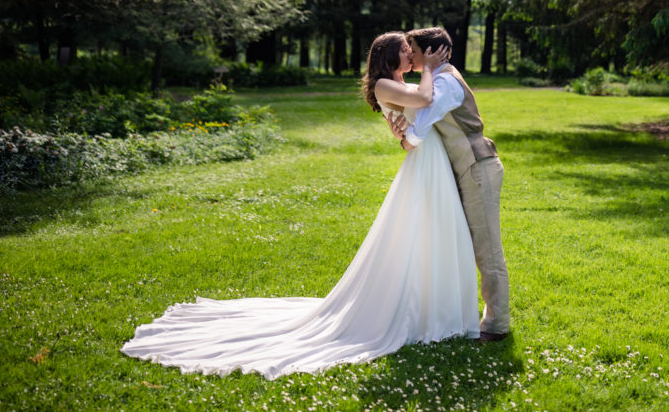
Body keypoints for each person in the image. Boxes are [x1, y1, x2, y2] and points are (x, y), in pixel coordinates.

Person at [120, 32, 479, 379]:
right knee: (421, 231)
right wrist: (431, 67)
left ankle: (436, 307)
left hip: (429, 161)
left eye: (411, 50)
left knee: (433, 231)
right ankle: (421, 310)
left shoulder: (396, 84)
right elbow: (425, 101)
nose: (411, 54)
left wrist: (409, 126)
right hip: (425, 163)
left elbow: (411, 123)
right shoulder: (386, 85)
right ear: (388, 56)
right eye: (405, 49)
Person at [389, 27, 509, 342]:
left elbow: (422, 126)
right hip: (466, 169)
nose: (409, 54)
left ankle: (497, 326)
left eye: (412, 48)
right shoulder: (439, 79)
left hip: (477, 168)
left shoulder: (445, 84)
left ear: (430, 52)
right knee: (464, 245)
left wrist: (405, 140)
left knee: (487, 250)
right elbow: (412, 96)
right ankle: (462, 315)